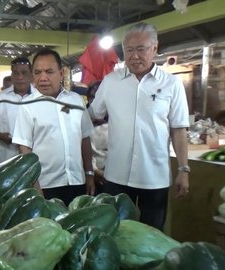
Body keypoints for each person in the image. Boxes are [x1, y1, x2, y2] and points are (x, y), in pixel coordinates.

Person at [89, 22, 190, 231]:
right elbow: (91, 115)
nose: (134, 56)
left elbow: (179, 129)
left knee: (151, 234)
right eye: (129, 50)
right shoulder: (111, 82)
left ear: (154, 48)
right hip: (116, 175)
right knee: (113, 231)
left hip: (154, 177)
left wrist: (183, 169)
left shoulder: (172, 84)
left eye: (141, 49)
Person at [12, 49, 95, 205]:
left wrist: (89, 173)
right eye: (37, 73)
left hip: (77, 181)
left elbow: (85, 138)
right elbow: (24, 150)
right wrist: (36, 187)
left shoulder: (75, 100)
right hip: (46, 186)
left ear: (61, 73)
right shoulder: (28, 106)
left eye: (49, 72)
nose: (43, 78)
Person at [0, 57, 38, 163]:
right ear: (12, 76)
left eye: (24, 73)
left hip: (34, 158)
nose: (20, 77)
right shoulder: (1, 97)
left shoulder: (39, 97)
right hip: (7, 158)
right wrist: (0, 135)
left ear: (31, 75)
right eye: (16, 73)